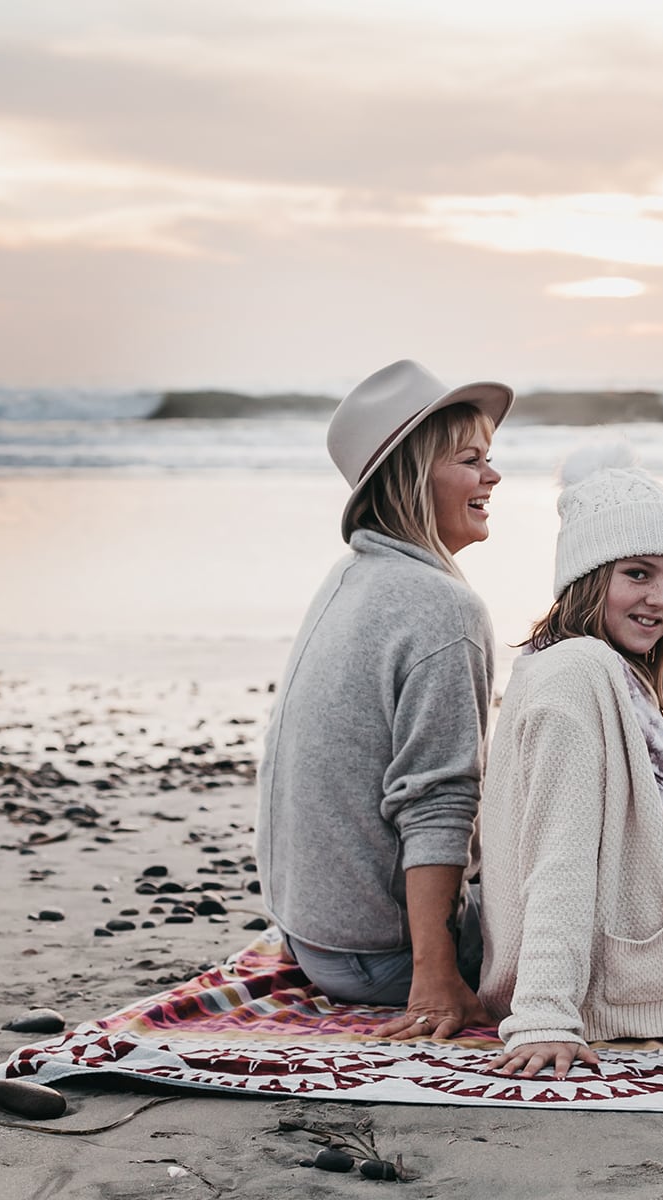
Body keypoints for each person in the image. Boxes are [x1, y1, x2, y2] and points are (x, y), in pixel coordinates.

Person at [479, 445, 663, 1080]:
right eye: (638, 573)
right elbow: (559, 854)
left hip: (639, 943)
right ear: (587, 574)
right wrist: (544, 1015)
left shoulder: (545, 658)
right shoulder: (580, 673)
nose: (661, 599)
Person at [256, 359, 511, 1042]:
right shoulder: (442, 607)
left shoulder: (351, 577)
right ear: (412, 477)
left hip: (316, 939)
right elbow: (437, 801)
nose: (493, 476)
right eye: (471, 460)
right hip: (383, 959)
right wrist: (434, 978)